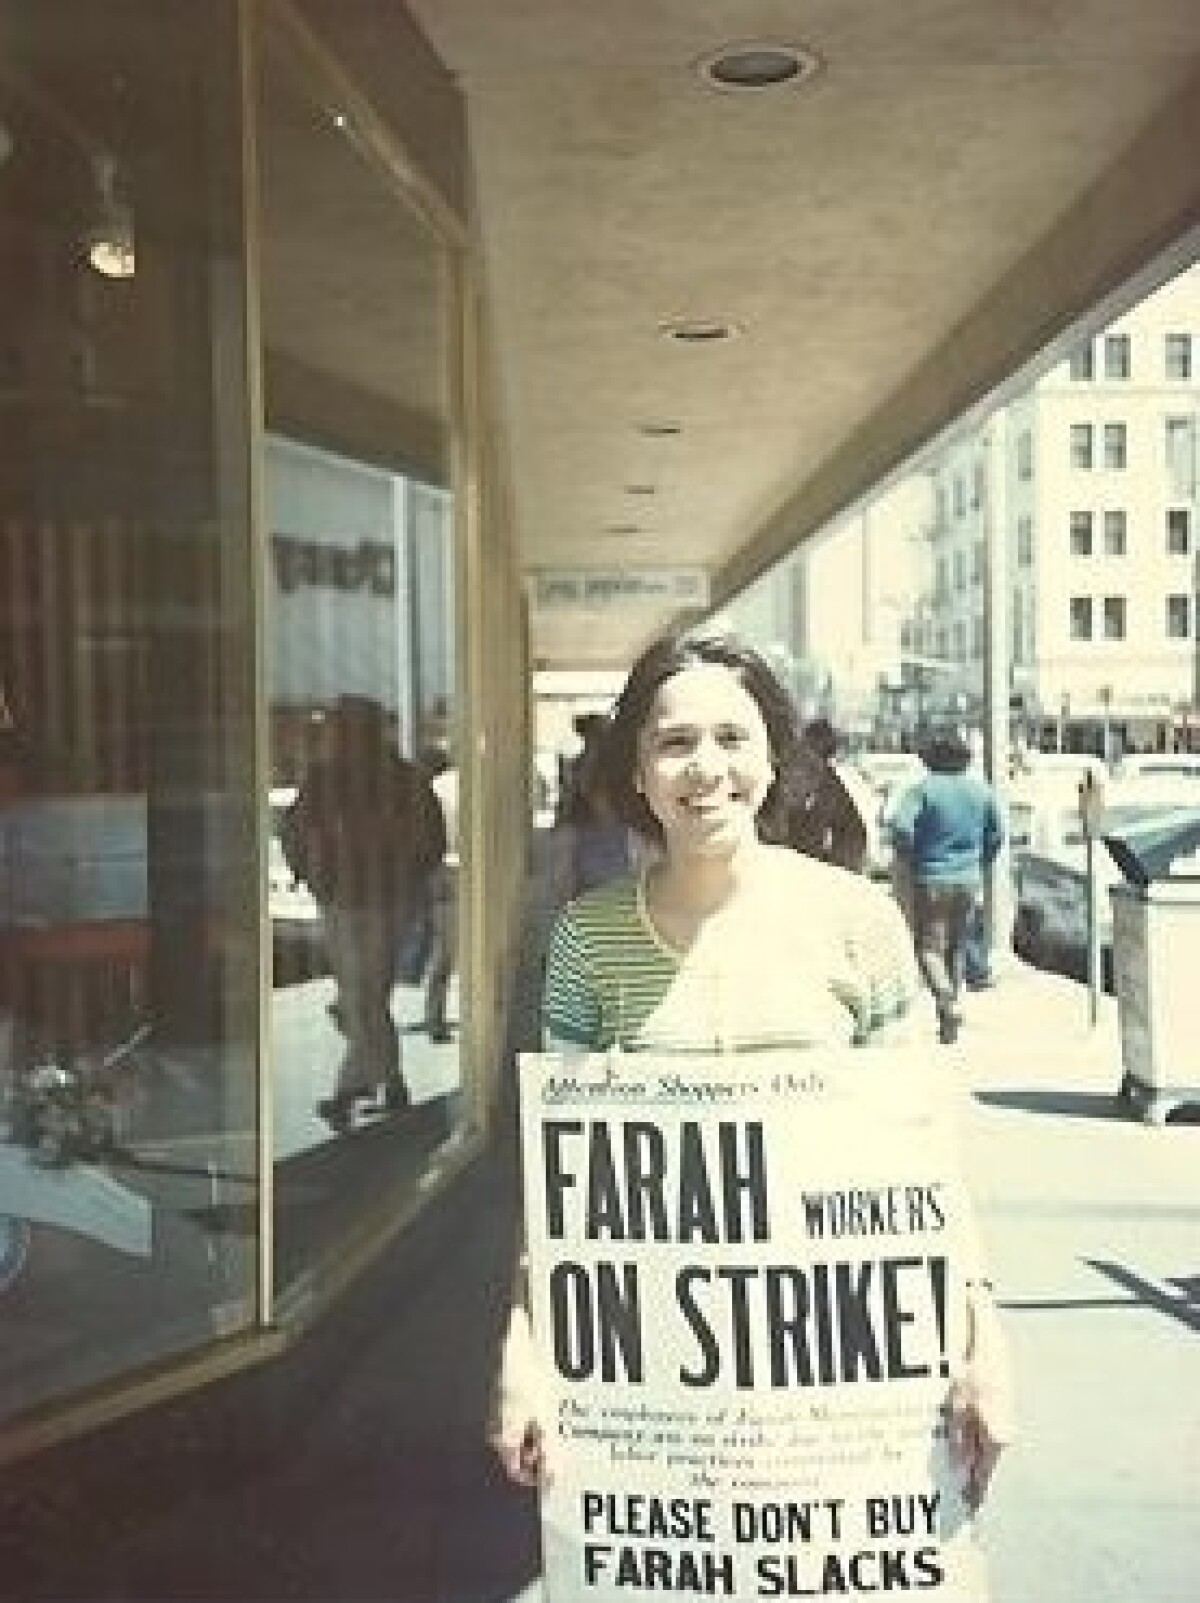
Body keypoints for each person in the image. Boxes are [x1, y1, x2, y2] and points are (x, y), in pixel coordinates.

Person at [490, 633, 1013, 1513]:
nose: (706, 768)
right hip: (656, 1400)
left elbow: (923, 1159)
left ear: (773, 756)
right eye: (674, 742)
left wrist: (982, 1340)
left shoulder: (859, 923)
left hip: (838, 1390)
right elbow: (563, 1179)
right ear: (639, 773)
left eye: (732, 738)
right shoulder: (588, 940)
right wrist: (522, 1347)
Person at [280, 696, 446, 1131]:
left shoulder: (325, 779)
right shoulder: (405, 779)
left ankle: (351, 1088)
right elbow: (433, 840)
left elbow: (293, 831)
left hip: (343, 899)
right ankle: (388, 1081)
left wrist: (310, 875)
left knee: (361, 998)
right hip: (388, 898)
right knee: (369, 996)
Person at [888, 728, 1005, 1046]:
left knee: (929, 947)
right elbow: (997, 834)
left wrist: (909, 854)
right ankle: (949, 1015)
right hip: (969, 879)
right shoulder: (982, 793)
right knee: (957, 945)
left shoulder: (922, 791)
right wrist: (981, 859)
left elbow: (900, 827)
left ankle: (945, 1000)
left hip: (930, 877)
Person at [774, 715, 871, 873]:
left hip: (805, 866)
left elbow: (853, 832)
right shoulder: (776, 769)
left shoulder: (830, 783)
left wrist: (836, 869)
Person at [421, 742, 459, 1044]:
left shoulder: (434, 789)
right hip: (469, 868)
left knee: (443, 951)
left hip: (441, 871)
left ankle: (435, 1017)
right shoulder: (464, 785)